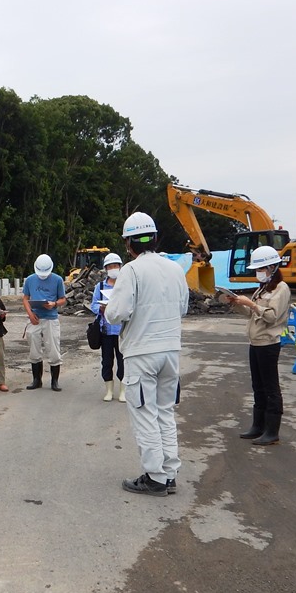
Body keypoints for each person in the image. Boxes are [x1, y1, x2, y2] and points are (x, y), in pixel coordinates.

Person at [105, 212, 189, 497]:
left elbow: (117, 313)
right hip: (170, 351)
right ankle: (169, 473)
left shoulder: (131, 271)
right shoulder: (175, 269)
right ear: (154, 238)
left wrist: (108, 309)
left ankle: (155, 477)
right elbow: (183, 308)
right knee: (165, 412)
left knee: (145, 414)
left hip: (142, 352)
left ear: (129, 244)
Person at [222, 245, 291, 446]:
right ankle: (258, 426)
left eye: (261, 269)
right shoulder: (263, 288)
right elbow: (252, 314)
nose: (258, 273)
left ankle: (272, 431)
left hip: (268, 344)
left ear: (272, 268)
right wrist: (237, 303)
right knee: (258, 386)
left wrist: (251, 304)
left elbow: (271, 316)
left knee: (270, 387)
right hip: (256, 343)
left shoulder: (281, 289)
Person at [22, 254, 67, 391]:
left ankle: (54, 381)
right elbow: (25, 298)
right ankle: (37, 380)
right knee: (34, 349)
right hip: (35, 318)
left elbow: (63, 299)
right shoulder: (30, 280)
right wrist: (30, 314)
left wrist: (54, 304)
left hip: (51, 318)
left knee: (53, 349)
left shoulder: (57, 280)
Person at [90, 253, 126, 402]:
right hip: (106, 331)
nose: (113, 269)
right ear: (105, 269)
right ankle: (109, 390)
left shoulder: (125, 285)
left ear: (120, 267)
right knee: (106, 361)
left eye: (115, 266)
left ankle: (123, 391)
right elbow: (93, 305)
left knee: (123, 361)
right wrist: (101, 308)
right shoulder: (99, 287)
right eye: (110, 266)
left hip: (122, 331)